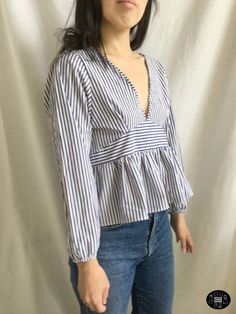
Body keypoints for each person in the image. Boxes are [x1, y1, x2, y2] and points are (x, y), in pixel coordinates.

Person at [43, 0, 195, 313]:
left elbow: (169, 142)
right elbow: (74, 167)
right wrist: (86, 261)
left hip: (159, 228)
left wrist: (178, 212)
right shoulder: (74, 68)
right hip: (108, 239)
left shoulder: (154, 68)